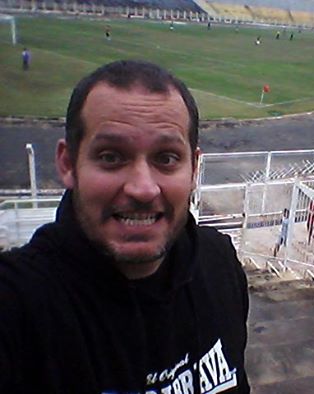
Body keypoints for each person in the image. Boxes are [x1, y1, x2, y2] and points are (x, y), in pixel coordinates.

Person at [0, 60, 250, 393]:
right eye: (110, 156)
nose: (143, 188)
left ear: (193, 169)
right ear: (67, 163)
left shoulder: (219, 263)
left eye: (166, 158)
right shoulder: (17, 307)